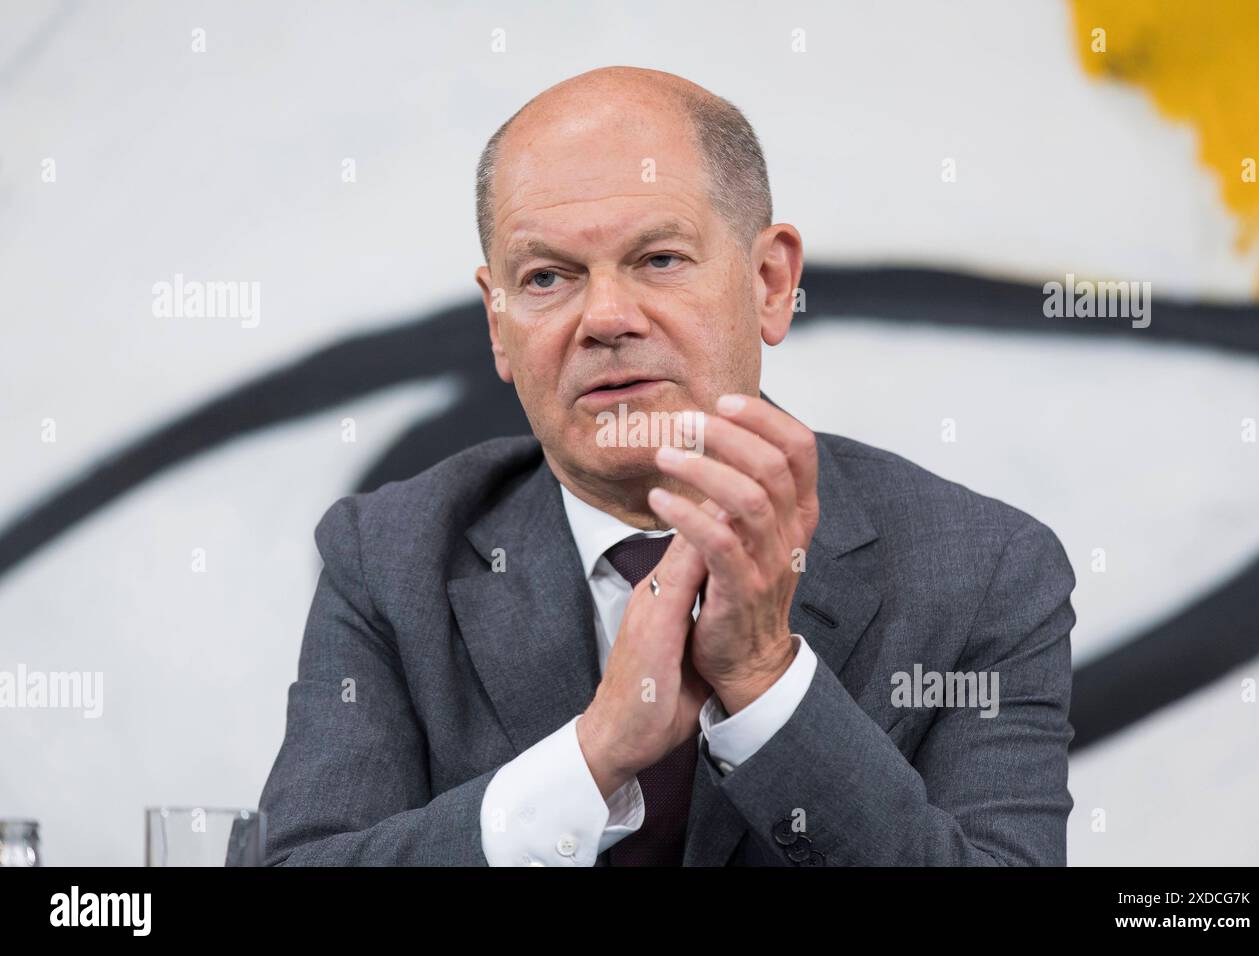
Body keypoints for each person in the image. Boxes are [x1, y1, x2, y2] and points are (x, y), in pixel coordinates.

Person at [258, 66, 1076, 866]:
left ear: (770, 282)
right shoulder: (388, 557)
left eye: (659, 260)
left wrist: (762, 682)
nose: (606, 318)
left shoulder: (984, 571)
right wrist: (592, 754)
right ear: (499, 324)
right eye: (546, 278)